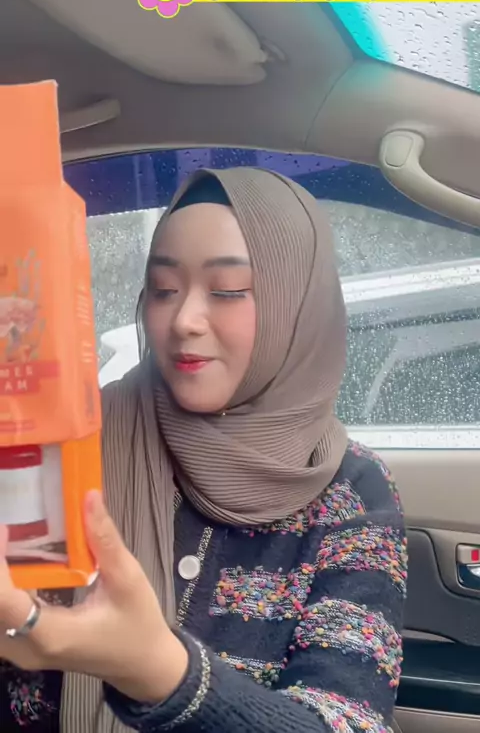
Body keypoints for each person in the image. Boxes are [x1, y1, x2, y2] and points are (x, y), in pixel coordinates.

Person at [0, 167, 407, 732]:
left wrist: (160, 673)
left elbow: (348, 720)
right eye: (163, 290)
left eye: (228, 291)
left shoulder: (350, 491)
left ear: (296, 306)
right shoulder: (71, 439)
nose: (184, 320)